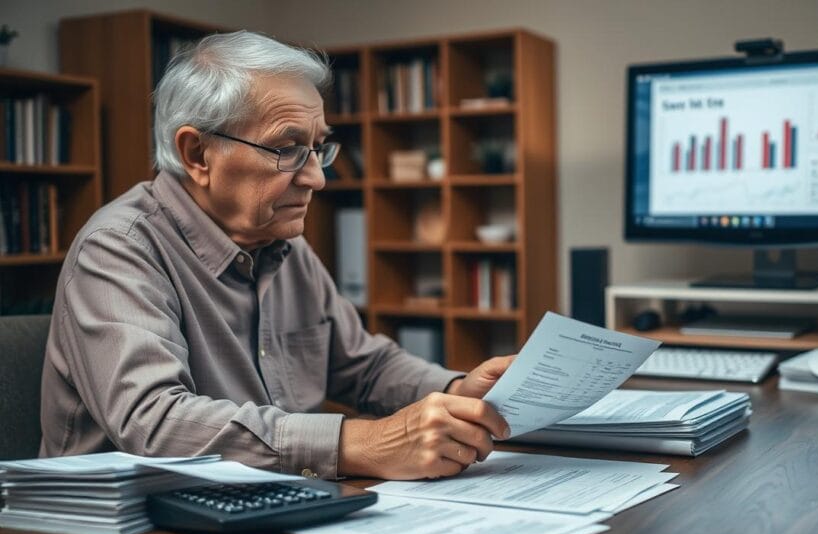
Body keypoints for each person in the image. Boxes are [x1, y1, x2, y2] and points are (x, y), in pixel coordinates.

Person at [38, 31, 513, 481]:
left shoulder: (283, 242)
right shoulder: (119, 247)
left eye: (318, 149)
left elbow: (361, 365)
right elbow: (154, 422)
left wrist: (458, 391)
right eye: (287, 149)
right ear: (197, 154)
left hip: (261, 506)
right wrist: (365, 442)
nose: (317, 178)